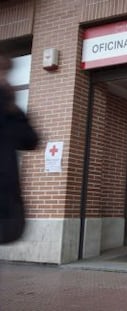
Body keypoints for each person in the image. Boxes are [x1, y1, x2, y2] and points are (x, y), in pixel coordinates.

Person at [0, 52, 38, 244]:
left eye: (6, 71)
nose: (4, 78)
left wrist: (13, 109)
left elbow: (31, 140)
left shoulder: (10, 110)